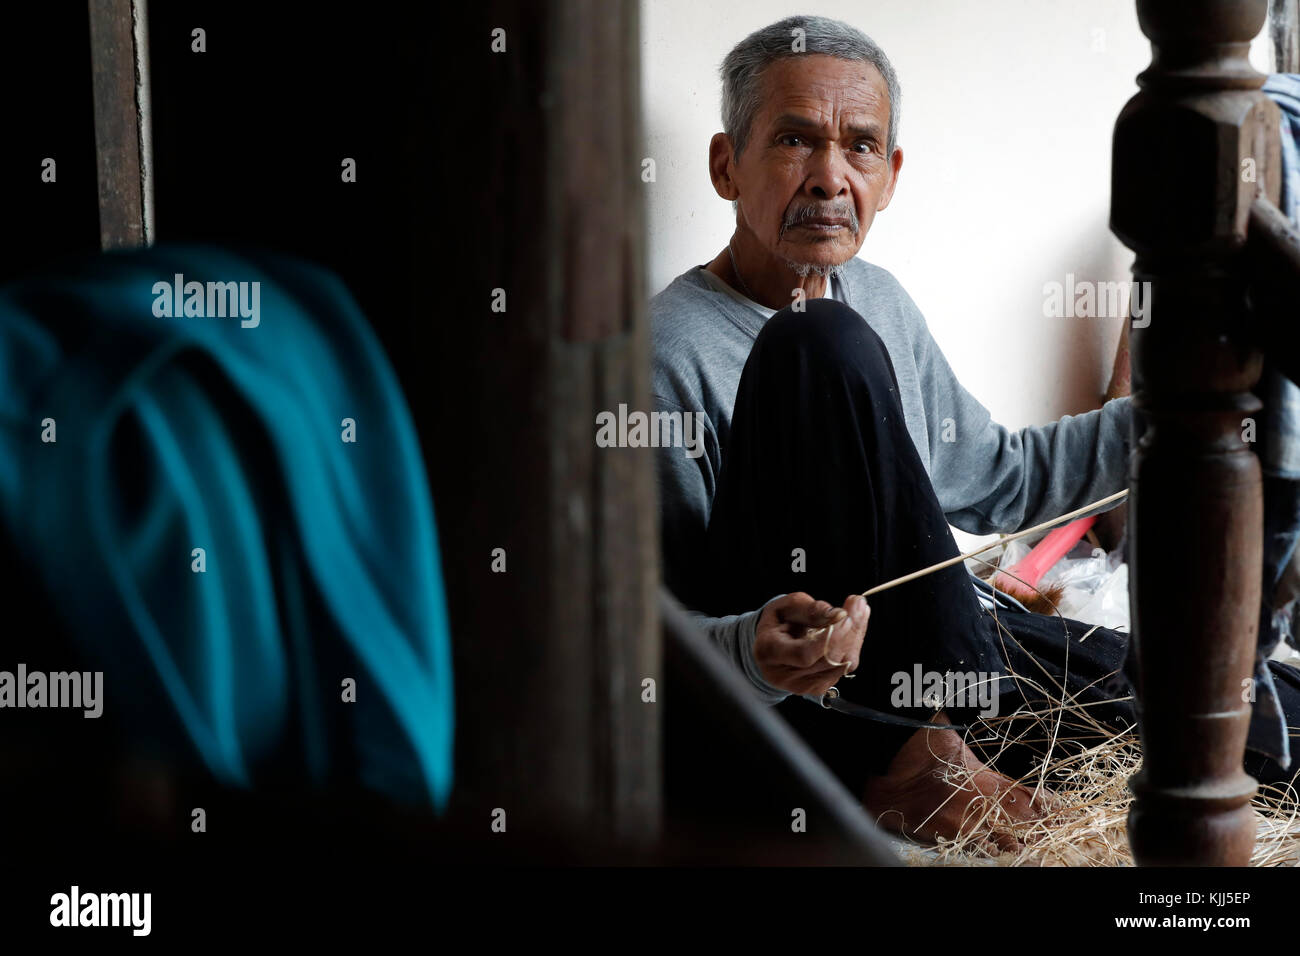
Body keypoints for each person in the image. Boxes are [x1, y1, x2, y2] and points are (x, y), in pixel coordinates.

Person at [651, 14, 1300, 852]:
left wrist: (1185, 406)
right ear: (725, 165)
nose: (828, 177)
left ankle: (953, 724)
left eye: (860, 148)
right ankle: (919, 757)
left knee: (1253, 715)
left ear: (890, 176)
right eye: (794, 140)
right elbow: (651, 631)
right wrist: (754, 645)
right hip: (814, 706)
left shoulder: (875, 296)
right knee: (819, 343)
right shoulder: (669, 352)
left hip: (953, 656)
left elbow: (1000, 478)